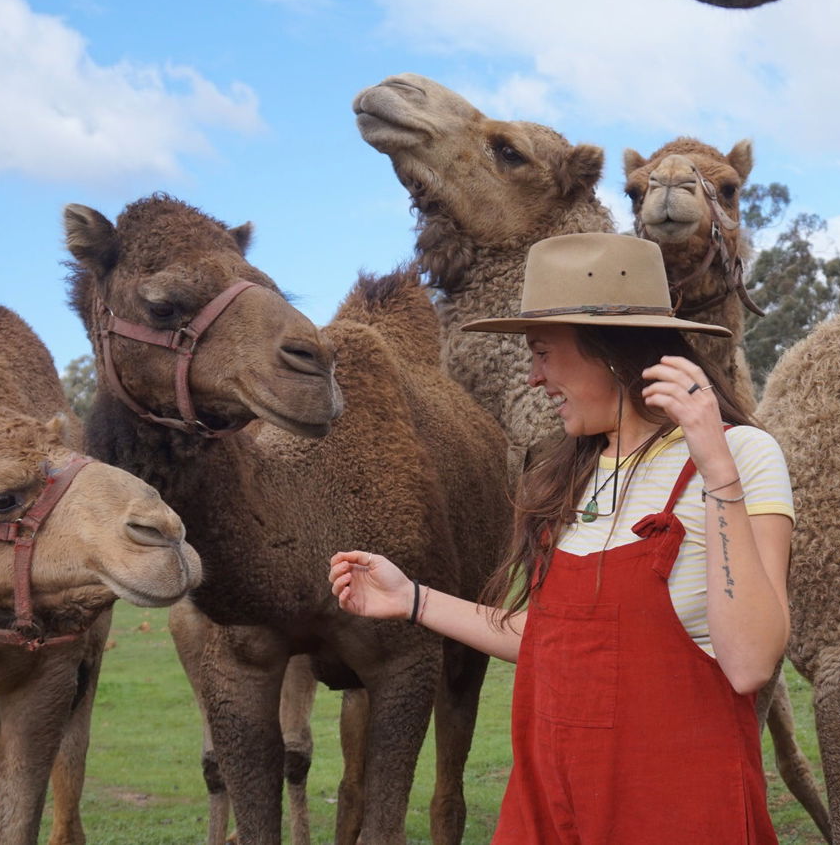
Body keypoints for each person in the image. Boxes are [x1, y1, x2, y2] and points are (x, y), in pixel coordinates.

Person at [328, 232, 793, 844]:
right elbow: (557, 640)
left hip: (677, 810)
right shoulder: (567, 474)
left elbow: (750, 663)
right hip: (550, 805)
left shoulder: (742, 456)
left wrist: (717, 470)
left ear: (611, 351)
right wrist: (411, 598)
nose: (533, 377)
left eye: (544, 352)